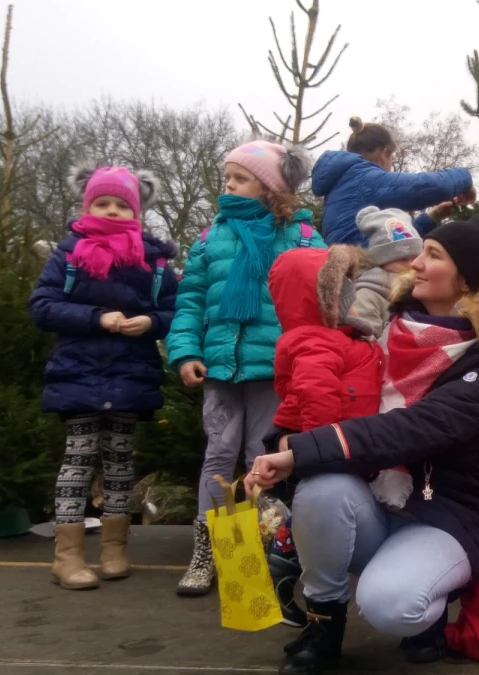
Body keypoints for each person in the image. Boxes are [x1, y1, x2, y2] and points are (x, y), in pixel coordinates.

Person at [245, 218, 479, 675]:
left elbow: (413, 428)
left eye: (434, 255)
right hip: (369, 502)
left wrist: (301, 449)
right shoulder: (376, 338)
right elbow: (311, 406)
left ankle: (428, 606)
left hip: (444, 516)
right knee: (321, 487)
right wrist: (281, 441)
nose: (415, 262)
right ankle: (324, 623)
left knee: (392, 606)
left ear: (469, 281)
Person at [165, 140, 325, 596]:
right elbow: (191, 298)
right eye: (227, 177)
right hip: (219, 364)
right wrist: (185, 350)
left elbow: (323, 296)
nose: (228, 186)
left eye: (240, 178)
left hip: (274, 368)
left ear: (269, 187)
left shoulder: (303, 236)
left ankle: (255, 554)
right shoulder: (211, 237)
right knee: (218, 453)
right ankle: (210, 552)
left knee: (262, 457)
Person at [30, 164, 178, 590]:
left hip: (131, 374)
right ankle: (68, 556)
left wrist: (149, 323)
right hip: (78, 371)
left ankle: (115, 549)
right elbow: (42, 306)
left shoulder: (153, 261)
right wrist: (99, 318)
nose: (112, 211)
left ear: (137, 210)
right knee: (77, 460)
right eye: (102, 202)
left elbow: (174, 310)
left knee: (119, 462)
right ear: (87, 204)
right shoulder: (70, 252)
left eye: (121, 204)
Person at [265, 244, 383, 625]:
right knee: (316, 508)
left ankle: (285, 559)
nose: (351, 289)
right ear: (321, 294)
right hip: (328, 448)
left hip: (339, 444)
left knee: (310, 517)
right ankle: (287, 565)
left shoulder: (341, 336)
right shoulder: (314, 341)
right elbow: (317, 400)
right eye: (341, 283)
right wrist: (323, 448)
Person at [311, 117, 477, 245]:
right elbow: (432, 186)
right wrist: (465, 177)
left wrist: (432, 217)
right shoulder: (365, 179)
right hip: (366, 279)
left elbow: (388, 246)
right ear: (384, 153)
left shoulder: (344, 184)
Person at [342, 206, 423, 339]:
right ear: (383, 261)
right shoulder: (367, 295)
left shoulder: (424, 287)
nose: (411, 265)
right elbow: (368, 343)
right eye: (402, 259)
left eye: (416, 257)